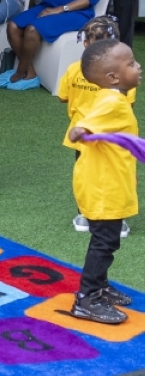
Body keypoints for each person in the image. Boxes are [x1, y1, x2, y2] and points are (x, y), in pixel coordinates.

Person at [65, 39, 140, 324]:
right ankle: (87, 298)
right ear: (113, 78)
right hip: (103, 186)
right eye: (131, 63)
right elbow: (90, 122)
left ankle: (100, 286)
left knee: (106, 240)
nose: (138, 66)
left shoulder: (111, 98)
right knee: (104, 241)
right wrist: (81, 129)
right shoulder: (111, 101)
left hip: (103, 181)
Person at [58, 16, 134, 237]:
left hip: (81, 135)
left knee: (84, 176)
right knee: (116, 176)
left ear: (85, 43)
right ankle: (117, 221)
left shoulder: (74, 69)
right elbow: (128, 104)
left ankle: (84, 215)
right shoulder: (122, 75)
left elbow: (63, 97)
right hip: (113, 137)